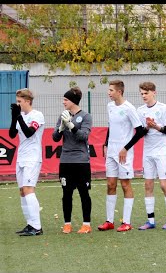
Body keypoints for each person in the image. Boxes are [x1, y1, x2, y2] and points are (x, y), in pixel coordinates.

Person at [98, 80, 144, 232]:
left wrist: (125, 148)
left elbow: (140, 131)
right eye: (108, 90)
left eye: (111, 90)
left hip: (124, 154)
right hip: (111, 152)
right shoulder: (110, 106)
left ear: (119, 92)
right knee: (110, 184)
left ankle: (127, 222)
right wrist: (106, 144)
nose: (108, 92)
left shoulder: (129, 108)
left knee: (125, 185)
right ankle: (109, 221)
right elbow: (111, 127)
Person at [52, 87, 93, 234]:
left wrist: (71, 125)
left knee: (84, 193)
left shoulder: (86, 116)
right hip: (66, 161)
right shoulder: (63, 115)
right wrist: (62, 127)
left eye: (66, 99)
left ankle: (86, 224)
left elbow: (83, 136)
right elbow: (55, 138)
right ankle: (67, 224)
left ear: (73, 101)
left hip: (81, 161)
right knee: (66, 193)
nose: (63, 102)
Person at [136, 82, 166, 230]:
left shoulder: (163, 108)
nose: (144, 96)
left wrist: (156, 126)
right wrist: (147, 127)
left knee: (164, 185)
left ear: (154, 92)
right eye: (141, 94)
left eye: (146, 93)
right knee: (148, 185)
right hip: (148, 152)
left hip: (162, 151)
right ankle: (150, 221)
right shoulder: (140, 111)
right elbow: (140, 133)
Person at [9, 88, 45, 236]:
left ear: (27, 101)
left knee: (28, 189)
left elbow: (30, 133)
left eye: (20, 102)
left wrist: (18, 117)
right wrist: (14, 117)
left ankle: (37, 227)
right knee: (22, 192)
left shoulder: (37, 115)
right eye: (17, 101)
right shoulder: (21, 115)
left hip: (32, 157)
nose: (18, 104)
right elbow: (12, 134)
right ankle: (30, 224)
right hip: (21, 157)